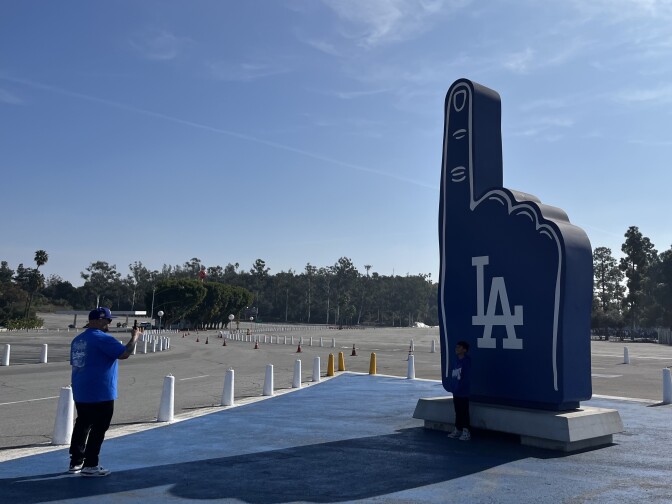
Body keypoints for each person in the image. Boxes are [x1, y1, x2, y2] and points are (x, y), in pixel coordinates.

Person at [68, 307, 142, 476]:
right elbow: (124, 353)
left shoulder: (78, 339)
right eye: (108, 320)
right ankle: (91, 464)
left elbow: (77, 363)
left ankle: (76, 461)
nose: (110, 323)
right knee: (99, 427)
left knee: (83, 424)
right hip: (101, 390)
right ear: (100, 320)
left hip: (81, 389)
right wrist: (135, 337)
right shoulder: (103, 339)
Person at [447, 340, 472, 441]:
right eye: (456, 347)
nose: (456, 348)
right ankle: (458, 429)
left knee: (464, 411)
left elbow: (466, 377)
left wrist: (461, 387)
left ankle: (466, 432)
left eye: (459, 347)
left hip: (463, 391)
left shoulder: (466, 361)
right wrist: (453, 386)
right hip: (456, 390)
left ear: (464, 350)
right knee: (457, 411)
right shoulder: (455, 360)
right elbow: (454, 374)